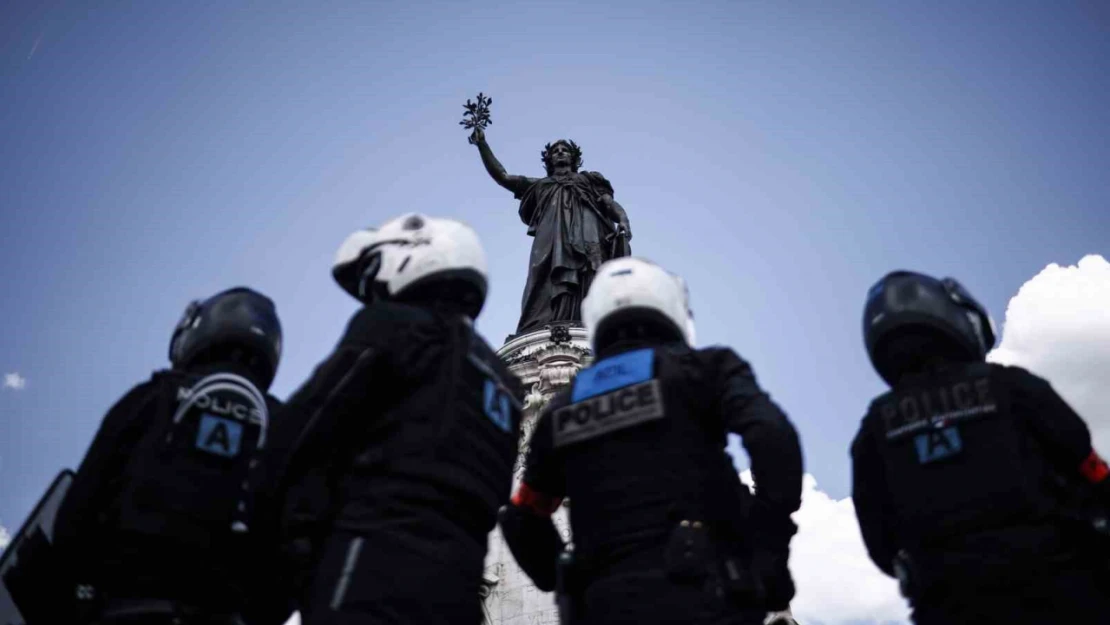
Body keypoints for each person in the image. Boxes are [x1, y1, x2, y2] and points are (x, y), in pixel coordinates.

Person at [500, 257, 804, 625]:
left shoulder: (563, 408)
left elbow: (524, 513)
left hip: (607, 601)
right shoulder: (706, 369)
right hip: (708, 589)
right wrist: (769, 538)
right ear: (672, 310)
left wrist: (563, 576)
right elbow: (773, 436)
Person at [277, 213, 524, 625]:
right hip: (458, 584)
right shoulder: (505, 386)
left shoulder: (394, 325)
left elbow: (304, 426)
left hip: (370, 558)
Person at [851, 270, 1110, 624]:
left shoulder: (872, 430)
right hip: (1063, 594)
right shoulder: (1014, 387)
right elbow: (1092, 472)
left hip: (947, 608)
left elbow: (880, 546)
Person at [53, 287, 287, 625]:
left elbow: (78, 512)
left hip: (125, 609)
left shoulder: (150, 397)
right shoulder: (288, 425)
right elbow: (300, 544)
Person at [470, 126, 632, 335]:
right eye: (555, 151)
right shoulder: (540, 185)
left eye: (564, 149)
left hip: (588, 232)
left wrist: (623, 219)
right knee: (543, 275)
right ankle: (543, 323)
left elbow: (609, 203)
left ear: (574, 157)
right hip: (551, 238)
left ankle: (587, 321)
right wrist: (482, 145)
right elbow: (504, 177)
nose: (560, 152)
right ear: (549, 160)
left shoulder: (589, 180)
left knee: (591, 271)